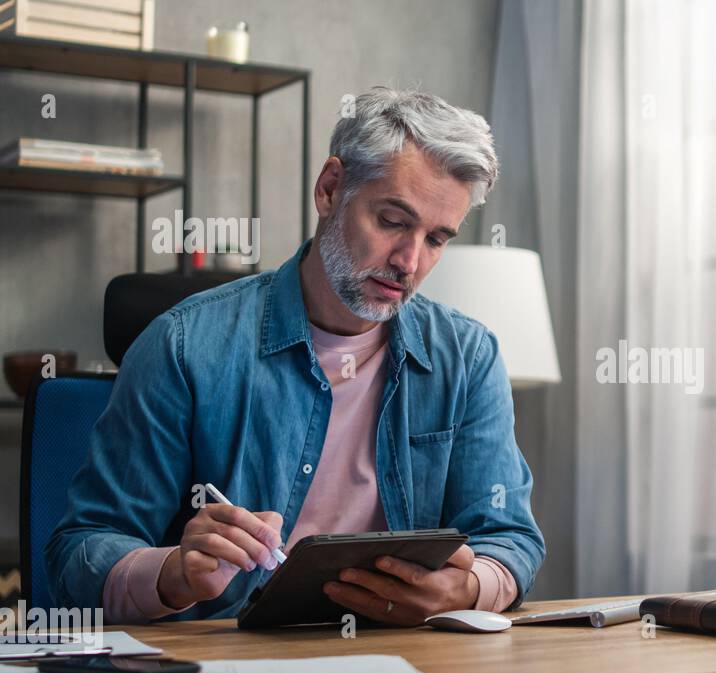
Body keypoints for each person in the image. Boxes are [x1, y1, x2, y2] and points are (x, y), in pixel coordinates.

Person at [47, 86, 545, 627]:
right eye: (394, 221)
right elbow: (78, 553)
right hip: (225, 667)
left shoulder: (468, 357)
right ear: (331, 189)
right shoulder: (182, 344)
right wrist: (172, 573)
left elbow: (509, 538)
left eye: (436, 238)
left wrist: (466, 589)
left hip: (402, 658)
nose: (409, 261)